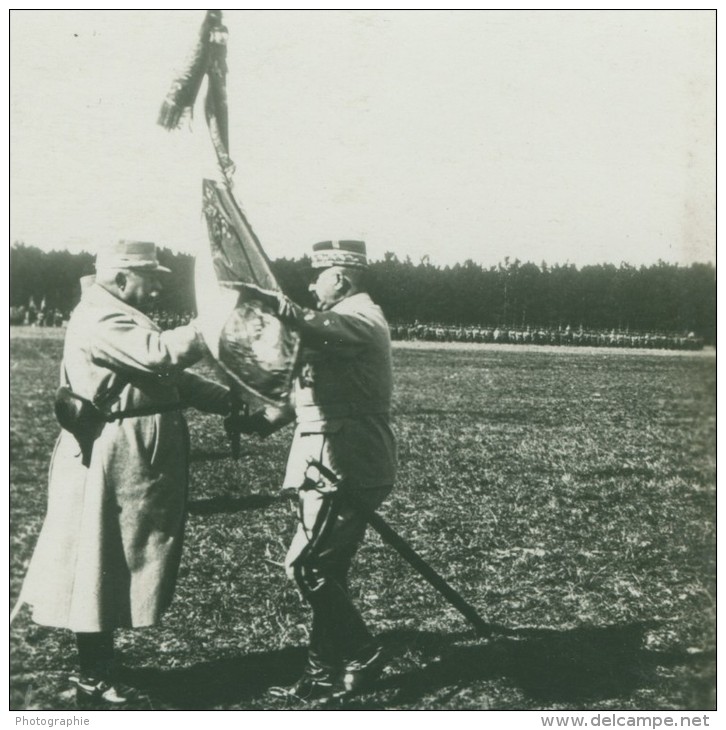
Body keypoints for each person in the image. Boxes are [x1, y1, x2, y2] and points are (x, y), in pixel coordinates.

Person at [18, 240, 233, 706]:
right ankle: (93, 677)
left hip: (128, 457)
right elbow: (159, 356)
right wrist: (213, 323)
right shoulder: (100, 316)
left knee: (111, 560)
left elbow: (169, 379)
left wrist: (228, 402)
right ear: (120, 279)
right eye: (150, 276)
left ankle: (100, 665)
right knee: (97, 560)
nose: (158, 285)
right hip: (108, 456)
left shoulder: (122, 314)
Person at [227, 239, 396, 702]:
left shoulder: (359, 318)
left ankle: (363, 652)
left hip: (345, 463)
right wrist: (256, 422)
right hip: (334, 459)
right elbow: (302, 394)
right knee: (329, 571)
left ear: (339, 277)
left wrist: (273, 302)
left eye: (316, 276)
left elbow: (320, 326)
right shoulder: (333, 326)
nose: (309, 283)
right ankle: (323, 672)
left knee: (305, 568)